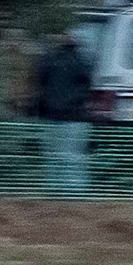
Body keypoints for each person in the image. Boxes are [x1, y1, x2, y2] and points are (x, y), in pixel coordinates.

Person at [32, 33, 94, 197]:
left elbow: (39, 85)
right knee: (74, 158)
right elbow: (88, 88)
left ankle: (53, 192)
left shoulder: (46, 61)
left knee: (52, 158)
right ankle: (74, 193)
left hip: (50, 116)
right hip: (75, 118)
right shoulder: (83, 62)